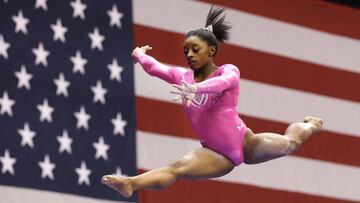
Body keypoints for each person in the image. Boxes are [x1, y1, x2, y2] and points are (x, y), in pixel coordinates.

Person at [101, 6, 323, 198]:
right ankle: (130, 183)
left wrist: (196, 88)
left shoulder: (227, 71)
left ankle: (309, 124)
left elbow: (224, 83)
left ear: (211, 51)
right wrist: (139, 55)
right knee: (178, 168)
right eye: (185, 50)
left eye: (195, 49)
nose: (189, 54)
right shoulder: (183, 77)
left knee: (290, 143)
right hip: (215, 154)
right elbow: (156, 68)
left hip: (245, 143)